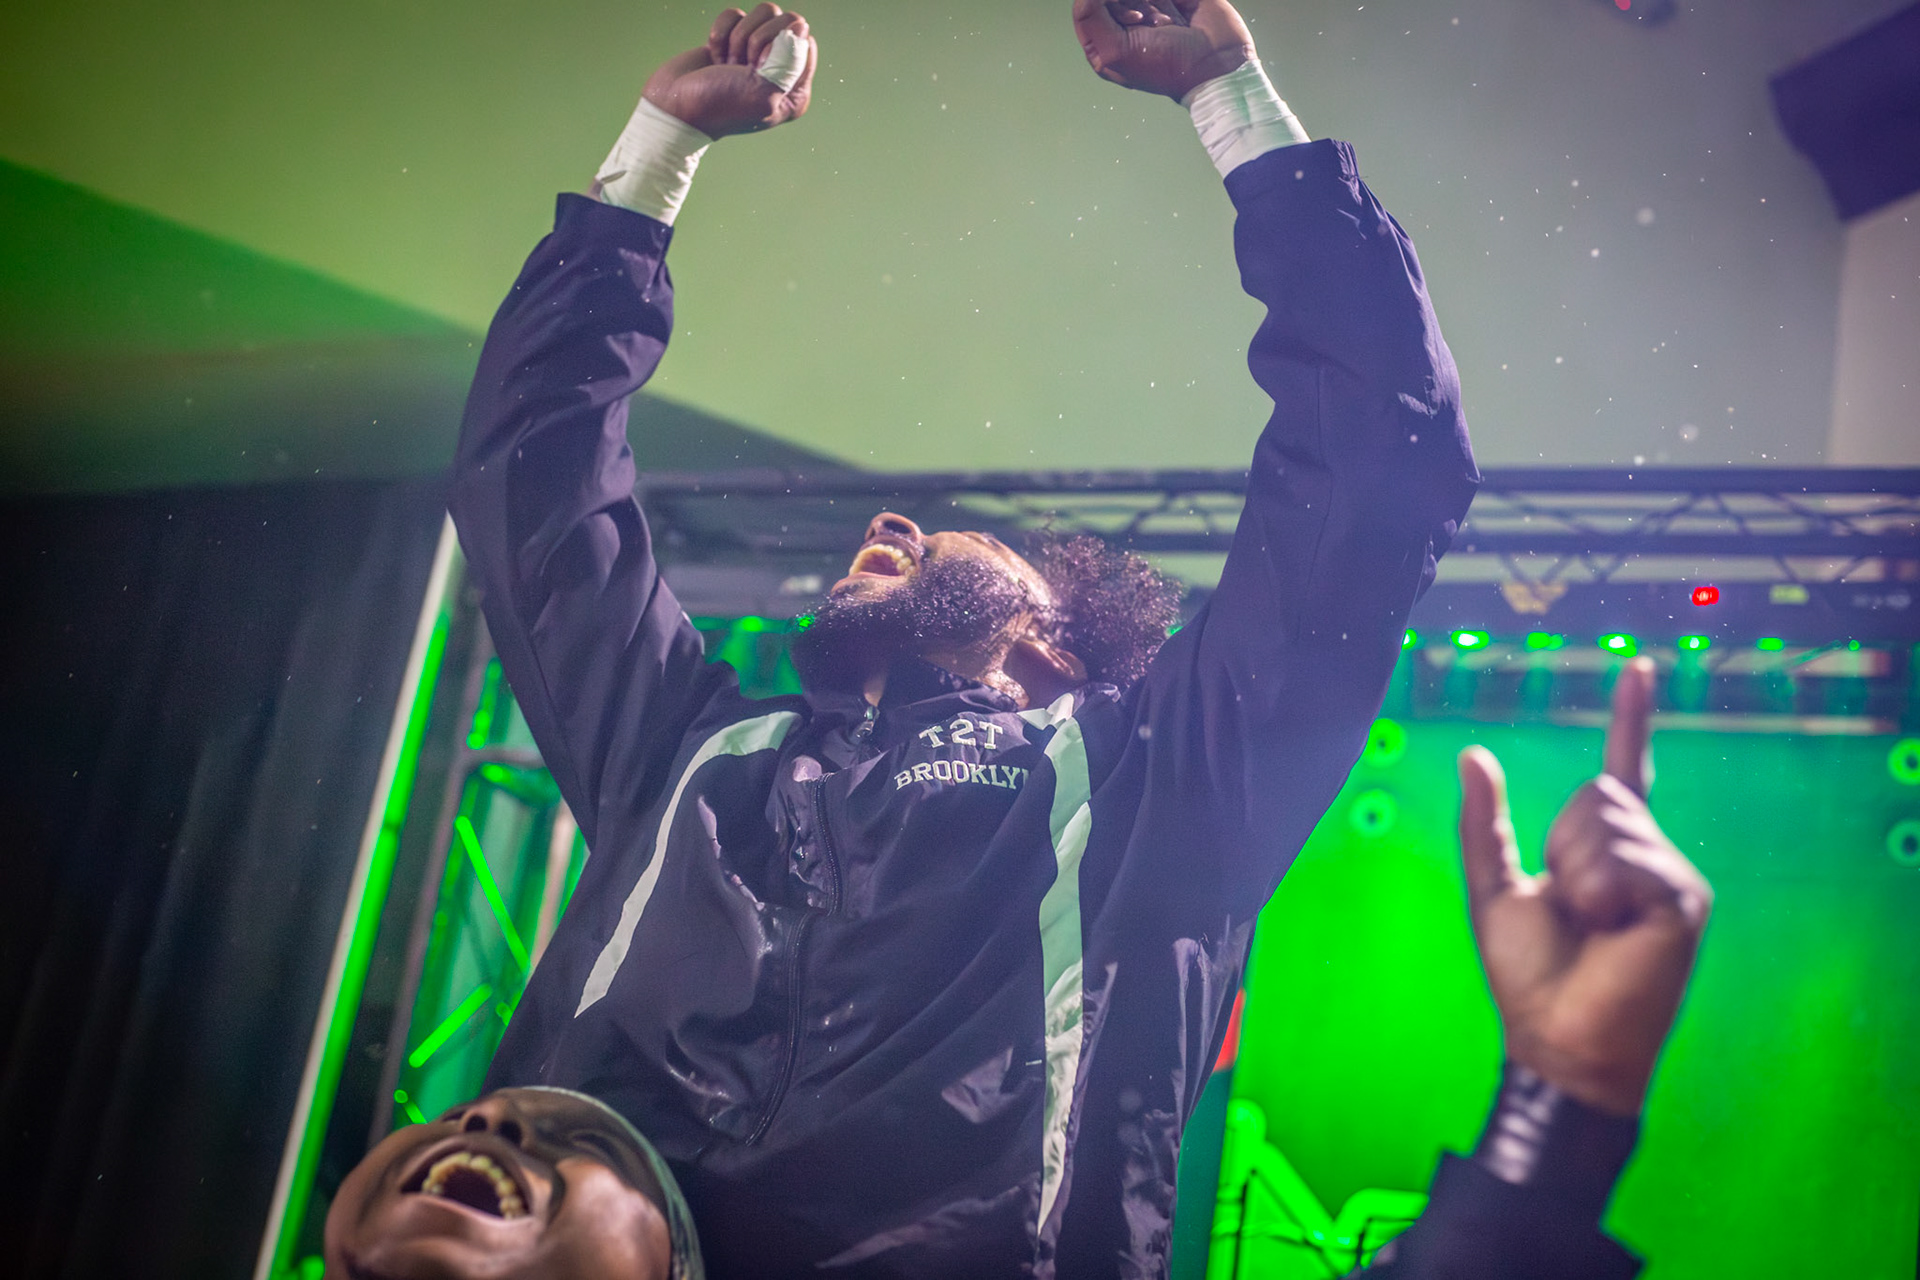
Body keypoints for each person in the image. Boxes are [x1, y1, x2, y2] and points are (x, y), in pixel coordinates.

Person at [442, 1, 1702, 1274]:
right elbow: (533, 481)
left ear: (1050, 636)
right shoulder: (692, 748)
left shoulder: (1162, 782)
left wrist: (1231, 97)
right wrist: (655, 155)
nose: (889, 523)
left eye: (948, 534)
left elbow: (1380, 451)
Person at [321, 660, 1709, 1279]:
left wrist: (1562, 1097)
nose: (489, 1116)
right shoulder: (727, 785)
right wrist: (1556, 1110)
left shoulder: (1127, 810)